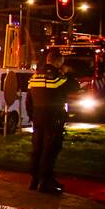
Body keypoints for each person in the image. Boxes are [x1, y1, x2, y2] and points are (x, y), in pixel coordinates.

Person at [27, 50, 79, 195]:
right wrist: (67, 73)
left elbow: (28, 99)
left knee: (37, 147)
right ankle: (45, 182)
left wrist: (32, 115)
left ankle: (34, 180)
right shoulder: (57, 76)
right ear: (58, 62)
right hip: (53, 117)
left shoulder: (34, 76)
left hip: (38, 116)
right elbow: (75, 86)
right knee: (50, 149)